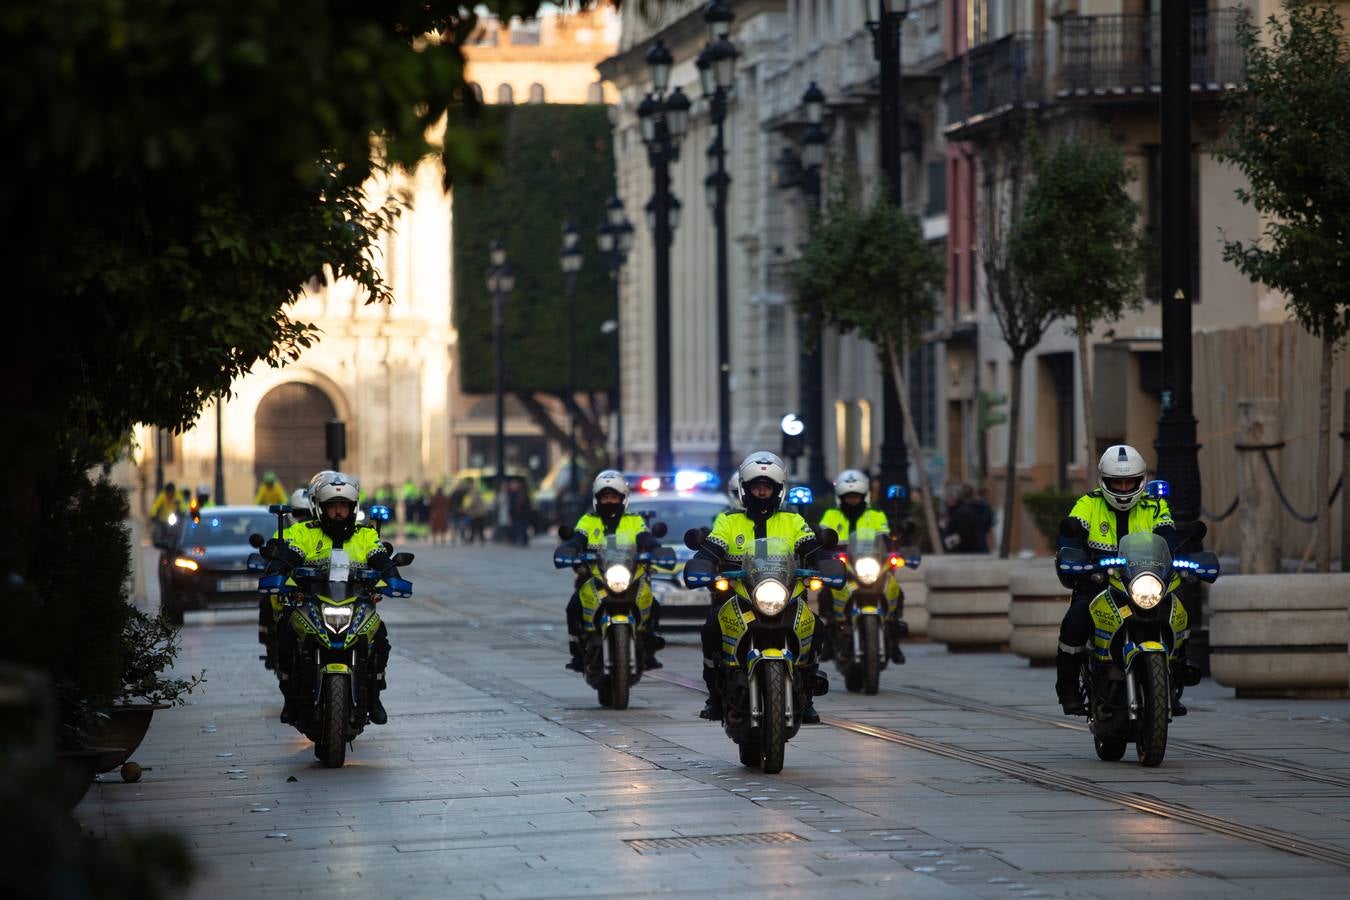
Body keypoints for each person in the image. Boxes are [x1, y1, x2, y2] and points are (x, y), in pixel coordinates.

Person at [688, 452, 830, 724]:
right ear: (745, 489)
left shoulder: (793, 521)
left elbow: (811, 547)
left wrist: (826, 562)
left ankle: (807, 695)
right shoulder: (729, 522)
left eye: (767, 487)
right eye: (756, 486)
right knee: (710, 629)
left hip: (785, 597)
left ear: (778, 490)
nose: (761, 492)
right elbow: (712, 547)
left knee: (817, 626)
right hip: (740, 597)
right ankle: (715, 696)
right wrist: (702, 562)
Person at [1054, 445, 1191, 716]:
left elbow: (1169, 535)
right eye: (1118, 482)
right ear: (1104, 481)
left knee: (1180, 614)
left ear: (1141, 480)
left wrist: (1183, 554)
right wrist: (1071, 554)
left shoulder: (1155, 505)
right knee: (1075, 622)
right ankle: (1067, 688)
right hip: (1099, 582)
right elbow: (1071, 533)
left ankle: (1175, 679)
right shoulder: (1088, 503)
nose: (1125, 488)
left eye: (1130, 482)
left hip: (1144, 582)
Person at [275, 471, 394, 725]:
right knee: (285, 635)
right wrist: (276, 571)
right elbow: (289, 556)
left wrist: (392, 575)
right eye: (333, 507)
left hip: (356, 604)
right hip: (311, 603)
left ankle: (374, 696)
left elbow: (379, 556)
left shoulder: (365, 535)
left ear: (353, 508)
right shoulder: (304, 532)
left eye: (343, 506)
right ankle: (289, 698)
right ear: (320, 509)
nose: (339, 512)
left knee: (380, 639)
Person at [558, 470, 664, 671]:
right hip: (594, 576)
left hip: (630, 575)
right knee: (573, 607)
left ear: (623, 498)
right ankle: (577, 650)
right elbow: (577, 538)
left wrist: (656, 548)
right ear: (597, 499)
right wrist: (569, 548)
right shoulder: (588, 520)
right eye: (605, 497)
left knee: (654, 604)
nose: (609, 501)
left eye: (613, 496)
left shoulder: (634, 520)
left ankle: (649, 643)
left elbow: (645, 537)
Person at [816, 468, 907, 665]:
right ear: (840, 497)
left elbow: (884, 538)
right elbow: (823, 537)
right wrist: (825, 550)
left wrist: (893, 548)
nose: (852, 500)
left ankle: (893, 635)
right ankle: (831, 632)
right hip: (844, 566)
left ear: (864, 495)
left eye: (856, 496)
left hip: (870, 564)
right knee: (826, 591)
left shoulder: (875, 515)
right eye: (848, 496)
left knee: (895, 590)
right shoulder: (831, 515)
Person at [940, 483, 988, 553]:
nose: (946, 500)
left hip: (967, 554)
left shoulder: (961, 514)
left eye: (948, 497)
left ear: (954, 498)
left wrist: (945, 543)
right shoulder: (957, 511)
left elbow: (964, 536)